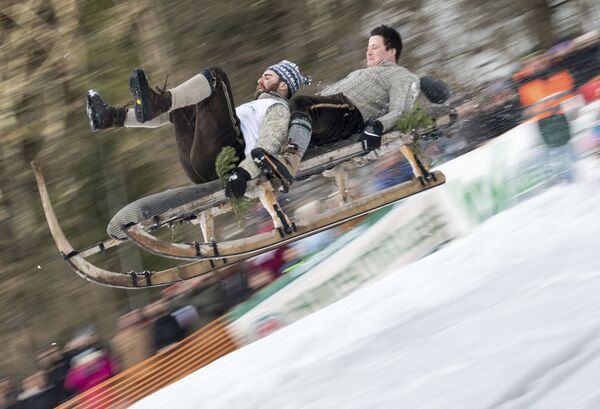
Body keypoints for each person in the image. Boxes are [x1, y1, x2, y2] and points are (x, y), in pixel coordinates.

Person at [226, 24, 421, 197]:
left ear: (392, 51)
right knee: (285, 123)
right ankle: (251, 172)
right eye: (368, 47)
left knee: (303, 103)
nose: (368, 52)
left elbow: (401, 110)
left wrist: (378, 125)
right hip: (331, 119)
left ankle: (289, 162)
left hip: (351, 114)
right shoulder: (362, 72)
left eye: (375, 47)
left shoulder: (401, 75)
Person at [87, 61, 310, 196]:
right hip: (200, 166)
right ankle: (111, 117)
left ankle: (158, 102)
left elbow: (268, 145)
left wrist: (243, 174)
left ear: (283, 86)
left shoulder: (278, 108)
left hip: (230, 162)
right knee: (182, 106)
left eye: (268, 76)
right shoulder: (255, 105)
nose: (260, 79)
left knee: (216, 79)